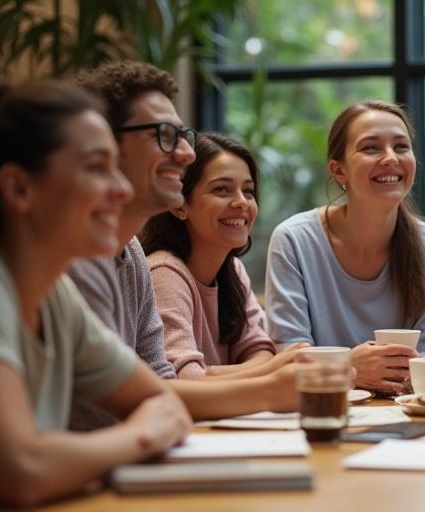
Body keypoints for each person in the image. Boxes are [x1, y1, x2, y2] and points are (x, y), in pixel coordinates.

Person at [66, 61, 298, 431]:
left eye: (182, 135)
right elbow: (137, 396)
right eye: (164, 134)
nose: (187, 154)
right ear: (103, 146)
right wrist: (273, 388)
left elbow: (162, 385)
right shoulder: (75, 259)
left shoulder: (133, 255)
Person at [0, 81, 191, 506]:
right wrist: (141, 435)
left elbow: (166, 402)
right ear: (19, 189)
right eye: (96, 167)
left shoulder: (57, 297)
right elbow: (22, 472)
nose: (121, 189)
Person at [266, 100, 425, 394]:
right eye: (371, 148)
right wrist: (350, 368)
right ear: (338, 170)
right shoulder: (294, 240)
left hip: (407, 412)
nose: (391, 158)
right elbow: (291, 355)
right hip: (321, 408)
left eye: (401, 147)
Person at [141, 133, 277, 378]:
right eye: (222, 189)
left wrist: (211, 374)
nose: (241, 202)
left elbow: (261, 351)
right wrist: (269, 372)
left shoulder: (233, 269)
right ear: (179, 205)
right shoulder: (164, 272)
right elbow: (185, 379)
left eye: (248, 191)